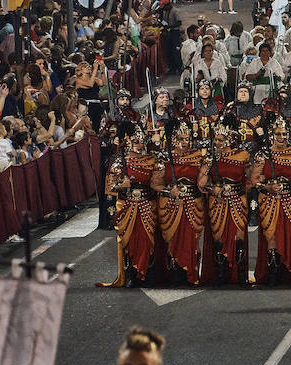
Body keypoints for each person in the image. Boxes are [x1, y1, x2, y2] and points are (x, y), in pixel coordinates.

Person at [100, 124, 161, 288]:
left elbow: (157, 184)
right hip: (127, 207)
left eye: (141, 142)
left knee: (148, 240)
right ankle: (131, 274)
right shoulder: (119, 162)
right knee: (129, 241)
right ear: (128, 143)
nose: (139, 145)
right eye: (135, 142)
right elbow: (110, 188)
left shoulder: (152, 160)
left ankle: (147, 274)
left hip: (147, 205)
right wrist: (123, 185)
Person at [155, 120, 208, 285]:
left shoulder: (199, 156)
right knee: (172, 241)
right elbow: (155, 184)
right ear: (172, 139)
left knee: (194, 241)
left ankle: (192, 274)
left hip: (193, 204)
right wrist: (168, 191)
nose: (183, 143)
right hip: (170, 205)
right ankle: (174, 277)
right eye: (179, 139)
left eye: (186, 139)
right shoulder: (163, 158)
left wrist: (206, 172)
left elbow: (201, 182)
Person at [252, 115, 291, 284]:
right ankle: (273, 274)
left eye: (284, 134)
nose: (281, 138)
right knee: (271, 236)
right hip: (269, 201)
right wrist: (267, 187)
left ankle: (289, 272)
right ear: (272, 135)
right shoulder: (263, 154)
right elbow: (255, 179)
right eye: (278, 134)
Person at [203, 115, 252, 285]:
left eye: (220, 139)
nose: (216, 142)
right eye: (215, 139)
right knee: (219, 238)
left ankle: (240, 276)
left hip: (238, 200)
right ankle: (221, 275)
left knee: (239, 237)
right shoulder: (210, 158)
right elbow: (202, 184)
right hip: (218, 201)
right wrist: (212, 188)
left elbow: (251, 178)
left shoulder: (243, 155)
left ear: (229, 140)